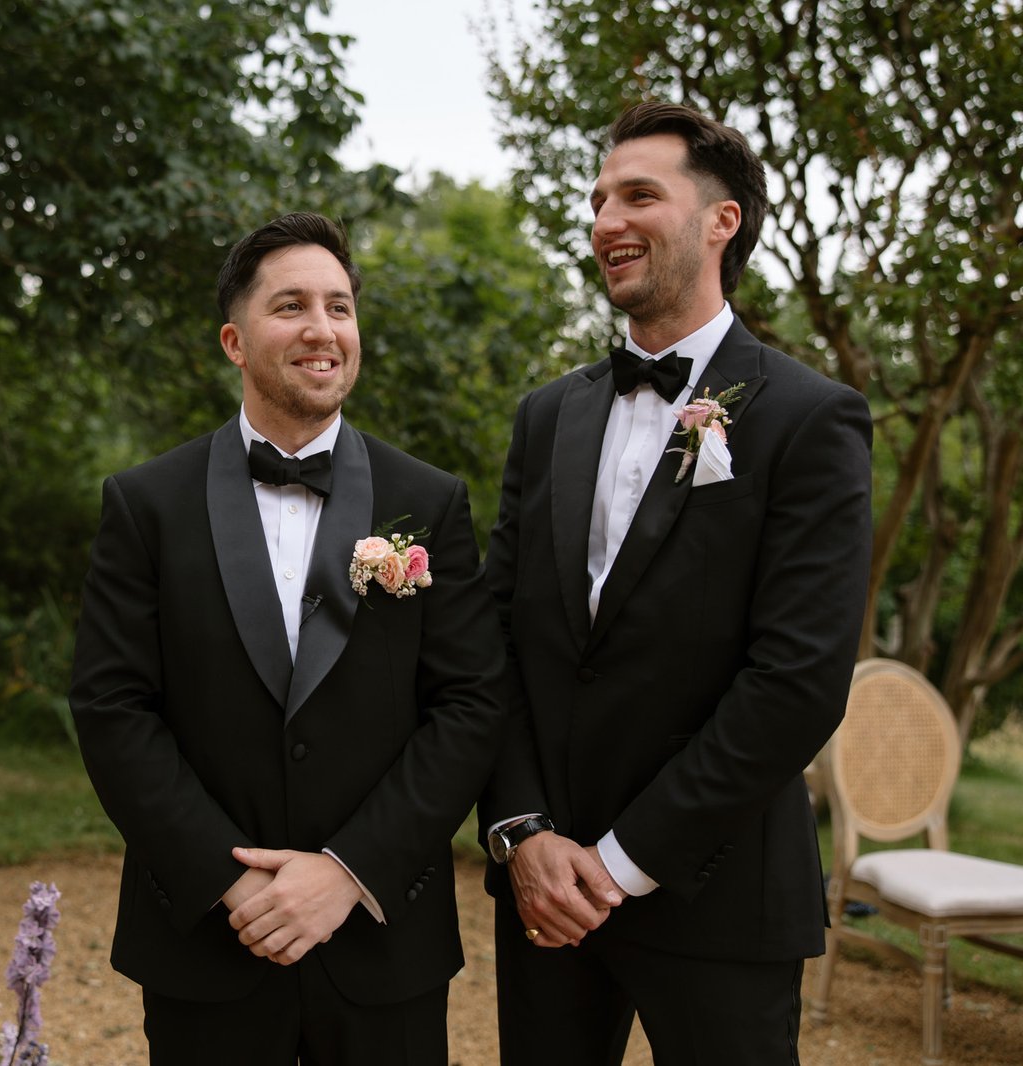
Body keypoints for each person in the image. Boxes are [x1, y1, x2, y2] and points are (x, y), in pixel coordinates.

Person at [477, 101, 873, 1065]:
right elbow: (493, 640)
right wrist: (522, 833)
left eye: (639, 195)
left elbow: (798, 681)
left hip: (720, 892)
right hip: (543, 894)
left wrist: (615, 866)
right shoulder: (547, 417)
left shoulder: (812, 419)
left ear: (721, 219)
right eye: (601, 197)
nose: (607, 219)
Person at [69, 211, 508, 1064]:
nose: (322, 329)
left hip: (384, 942)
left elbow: (470, 704)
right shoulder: (146, 504)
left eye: (340, 307)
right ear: (235, 340)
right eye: (292, 306)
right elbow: (112, 708)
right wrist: (233, 884)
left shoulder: (433, 501)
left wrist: (348, 871)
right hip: (208, 942)